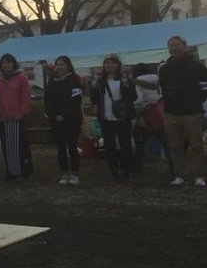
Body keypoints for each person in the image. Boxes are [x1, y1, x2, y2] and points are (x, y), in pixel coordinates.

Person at [159, 35, 207, 186]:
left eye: (177, 45)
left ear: (184, 46)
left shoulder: (197, 67)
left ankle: (199, 176)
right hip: (171, 113)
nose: (174, 48)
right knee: (175, 146)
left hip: (192, 112)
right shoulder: (164, 69)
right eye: (171, 46)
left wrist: (194, 100)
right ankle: (179, 175)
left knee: (196, 145)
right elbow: (163, 89)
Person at [90, 53, 137, 182]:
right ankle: (114, 170)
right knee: (109, 146)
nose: (110, 66)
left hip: (123, 117)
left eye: (113, 63)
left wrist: (127, 87)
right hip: (106, 117)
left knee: (125, 145)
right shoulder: (100, 81)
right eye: (107, 63)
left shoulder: (125, 79)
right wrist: (92, 89)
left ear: (118, 65)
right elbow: (95, 100)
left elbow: (134, 97)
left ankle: (125, 169)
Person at [44, 56, 84, 185]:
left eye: (62, 64)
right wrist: (54, 115)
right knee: (60, 148)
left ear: (68, 66)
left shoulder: (74, 79)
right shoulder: (52, 81)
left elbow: (76, 99)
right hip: (56, 120)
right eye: (58, 64)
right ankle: (63, 173)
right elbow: (48, 100)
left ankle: (75, 173)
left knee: (72, 147)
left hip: (72, 119)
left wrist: (64, 114)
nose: (60, 67)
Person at [0, 54, 32, 178]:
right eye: (3, 63)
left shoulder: (21, 79)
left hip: (16, 117)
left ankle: (20, 171)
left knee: (17, 146)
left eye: (8, 62)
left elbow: (26, 97)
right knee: (6, 146)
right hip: (1, 117)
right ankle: (10, 170)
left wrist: (22, 112)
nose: (6, 65)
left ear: (13, 63)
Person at [132, 63, 173, 177]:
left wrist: (136, 111)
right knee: (166, 143)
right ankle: (173, 167)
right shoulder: (159, 81)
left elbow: (138, 100)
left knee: (140, 142)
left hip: (146, 117)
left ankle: (137, 167)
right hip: (161, 115)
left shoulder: (137, 83)